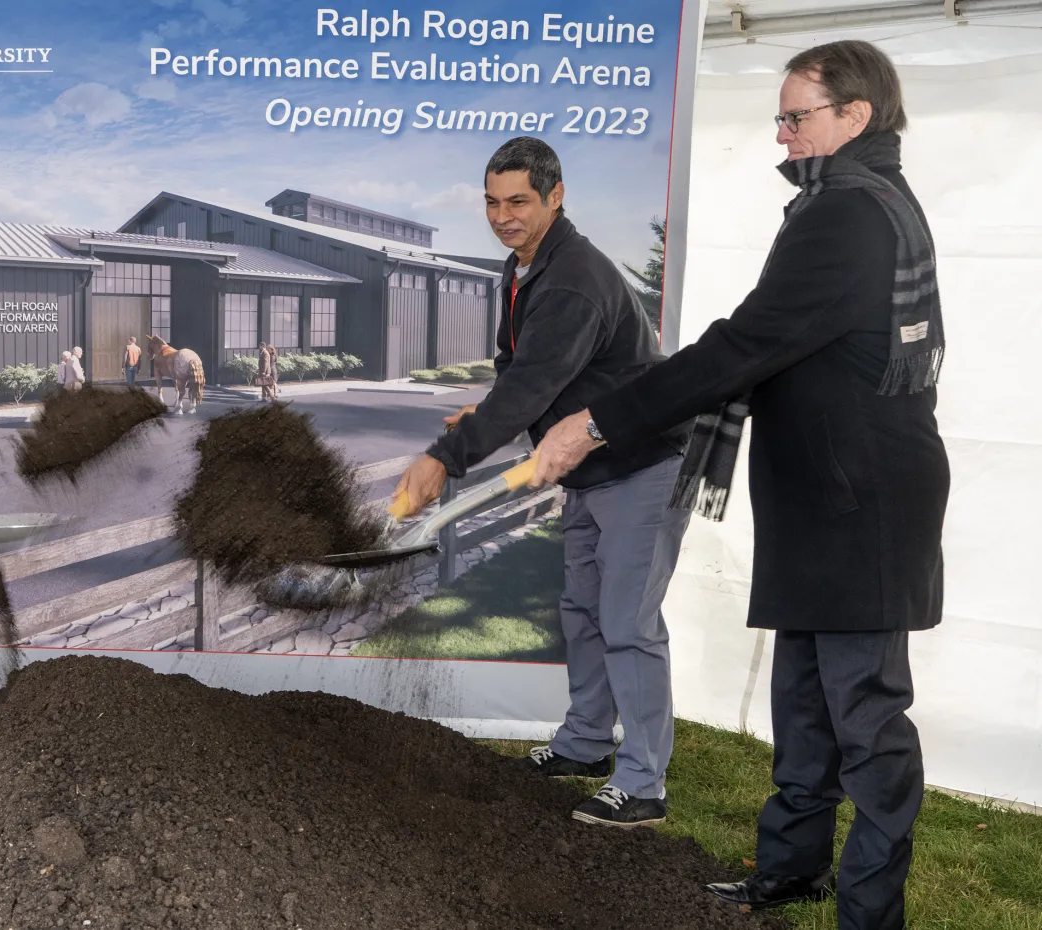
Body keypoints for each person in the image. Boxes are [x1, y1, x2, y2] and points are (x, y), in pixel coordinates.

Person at [529, 41, 946, 930]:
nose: (783, 138)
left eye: (796, 119)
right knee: (803, 704)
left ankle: (871, 912)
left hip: (861, 502)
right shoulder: (846, 202)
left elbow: (743, 345)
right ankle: (792, 870)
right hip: (823, 497)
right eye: (781, 120)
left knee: (866, 721)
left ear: (854, 117)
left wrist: (597, 421)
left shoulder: (850, 216)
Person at [391, 136, 692, 828]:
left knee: (628, 622)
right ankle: (586, 743)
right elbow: (513, 367)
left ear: (556, 197)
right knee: (581, 611)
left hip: (643, 467)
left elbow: (532, 384)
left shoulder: (575, 278)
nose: (503, 216)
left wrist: (446, 455)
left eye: (519, 201)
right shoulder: (523, 269)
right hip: (591, 474)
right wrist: (477, 413)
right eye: (493, 203)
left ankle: (644, 784)